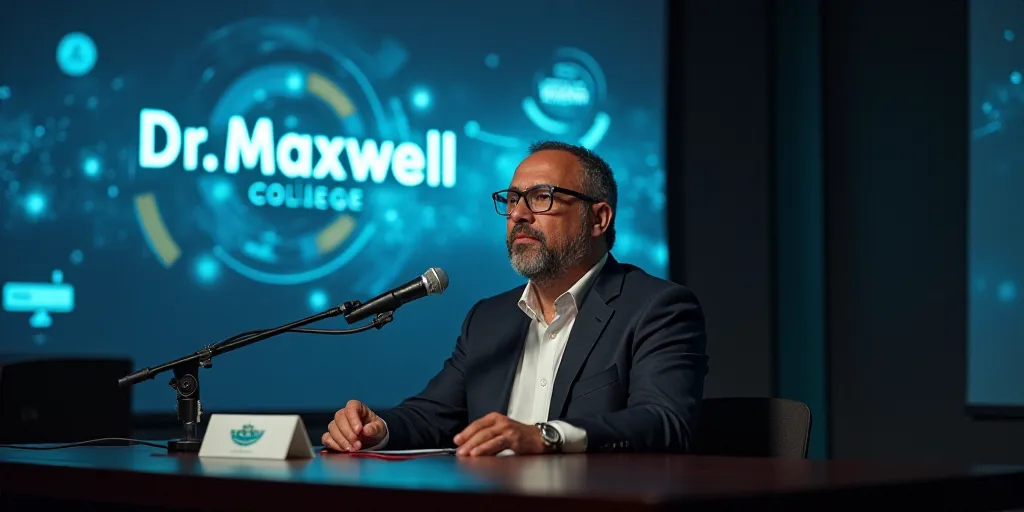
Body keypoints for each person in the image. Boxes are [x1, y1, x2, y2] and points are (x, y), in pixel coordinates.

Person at [322, 141, 709, 456]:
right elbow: (433, 414)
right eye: (511, 199)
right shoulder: (488, 319)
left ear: (598, 219)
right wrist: (377, 428)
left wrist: (547, 435)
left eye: (541, 197)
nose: (519, 214)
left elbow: (664, 421)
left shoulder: (657, 308)